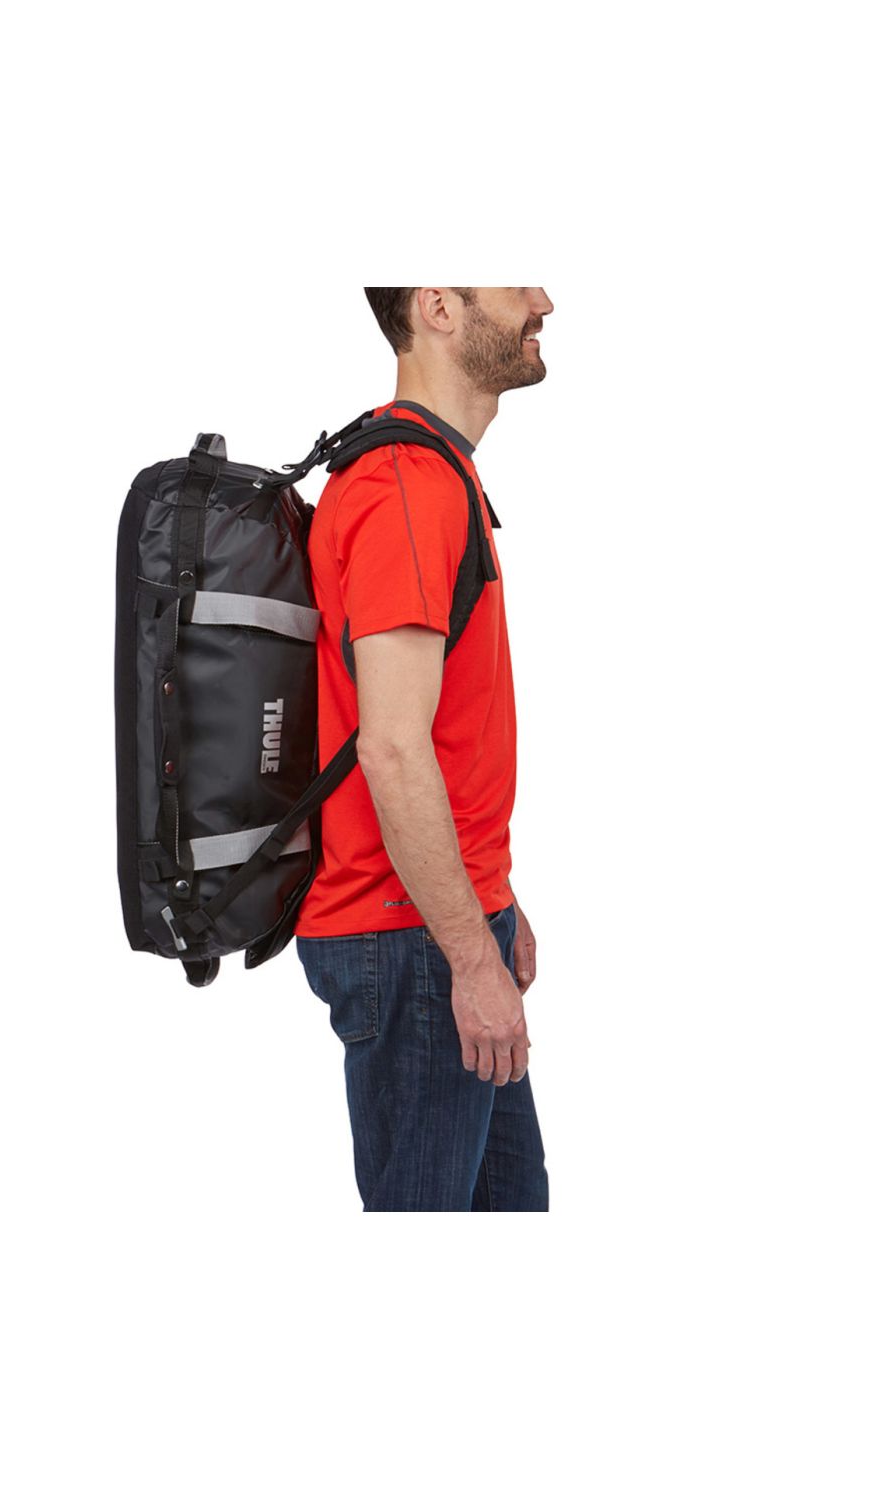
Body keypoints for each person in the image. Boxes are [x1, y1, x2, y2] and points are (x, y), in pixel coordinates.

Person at [294, 287, 555, 1212]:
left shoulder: (435, 474)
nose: (544, 301)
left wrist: (494, 896)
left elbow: (440, 736)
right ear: (439, 306)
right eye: (516, 282)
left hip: (440, 922)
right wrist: (471, 957)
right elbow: (394, 750)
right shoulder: (404, 483)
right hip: (410, 943)